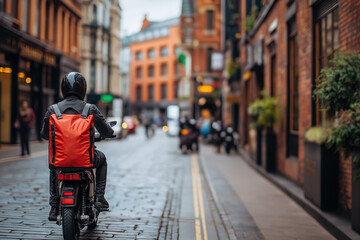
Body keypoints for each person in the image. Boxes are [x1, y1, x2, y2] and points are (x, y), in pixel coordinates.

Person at [40, 72, 114, 221]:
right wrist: (109, 133)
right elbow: (107, 131)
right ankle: (99, 197)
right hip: (86, 159)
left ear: (63, 88)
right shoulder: (90, 109)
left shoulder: (53, 110)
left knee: (54, 168)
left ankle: (54, 207)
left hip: (59, 160)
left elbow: (44, 134)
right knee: (102, 159)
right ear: (83, 89)